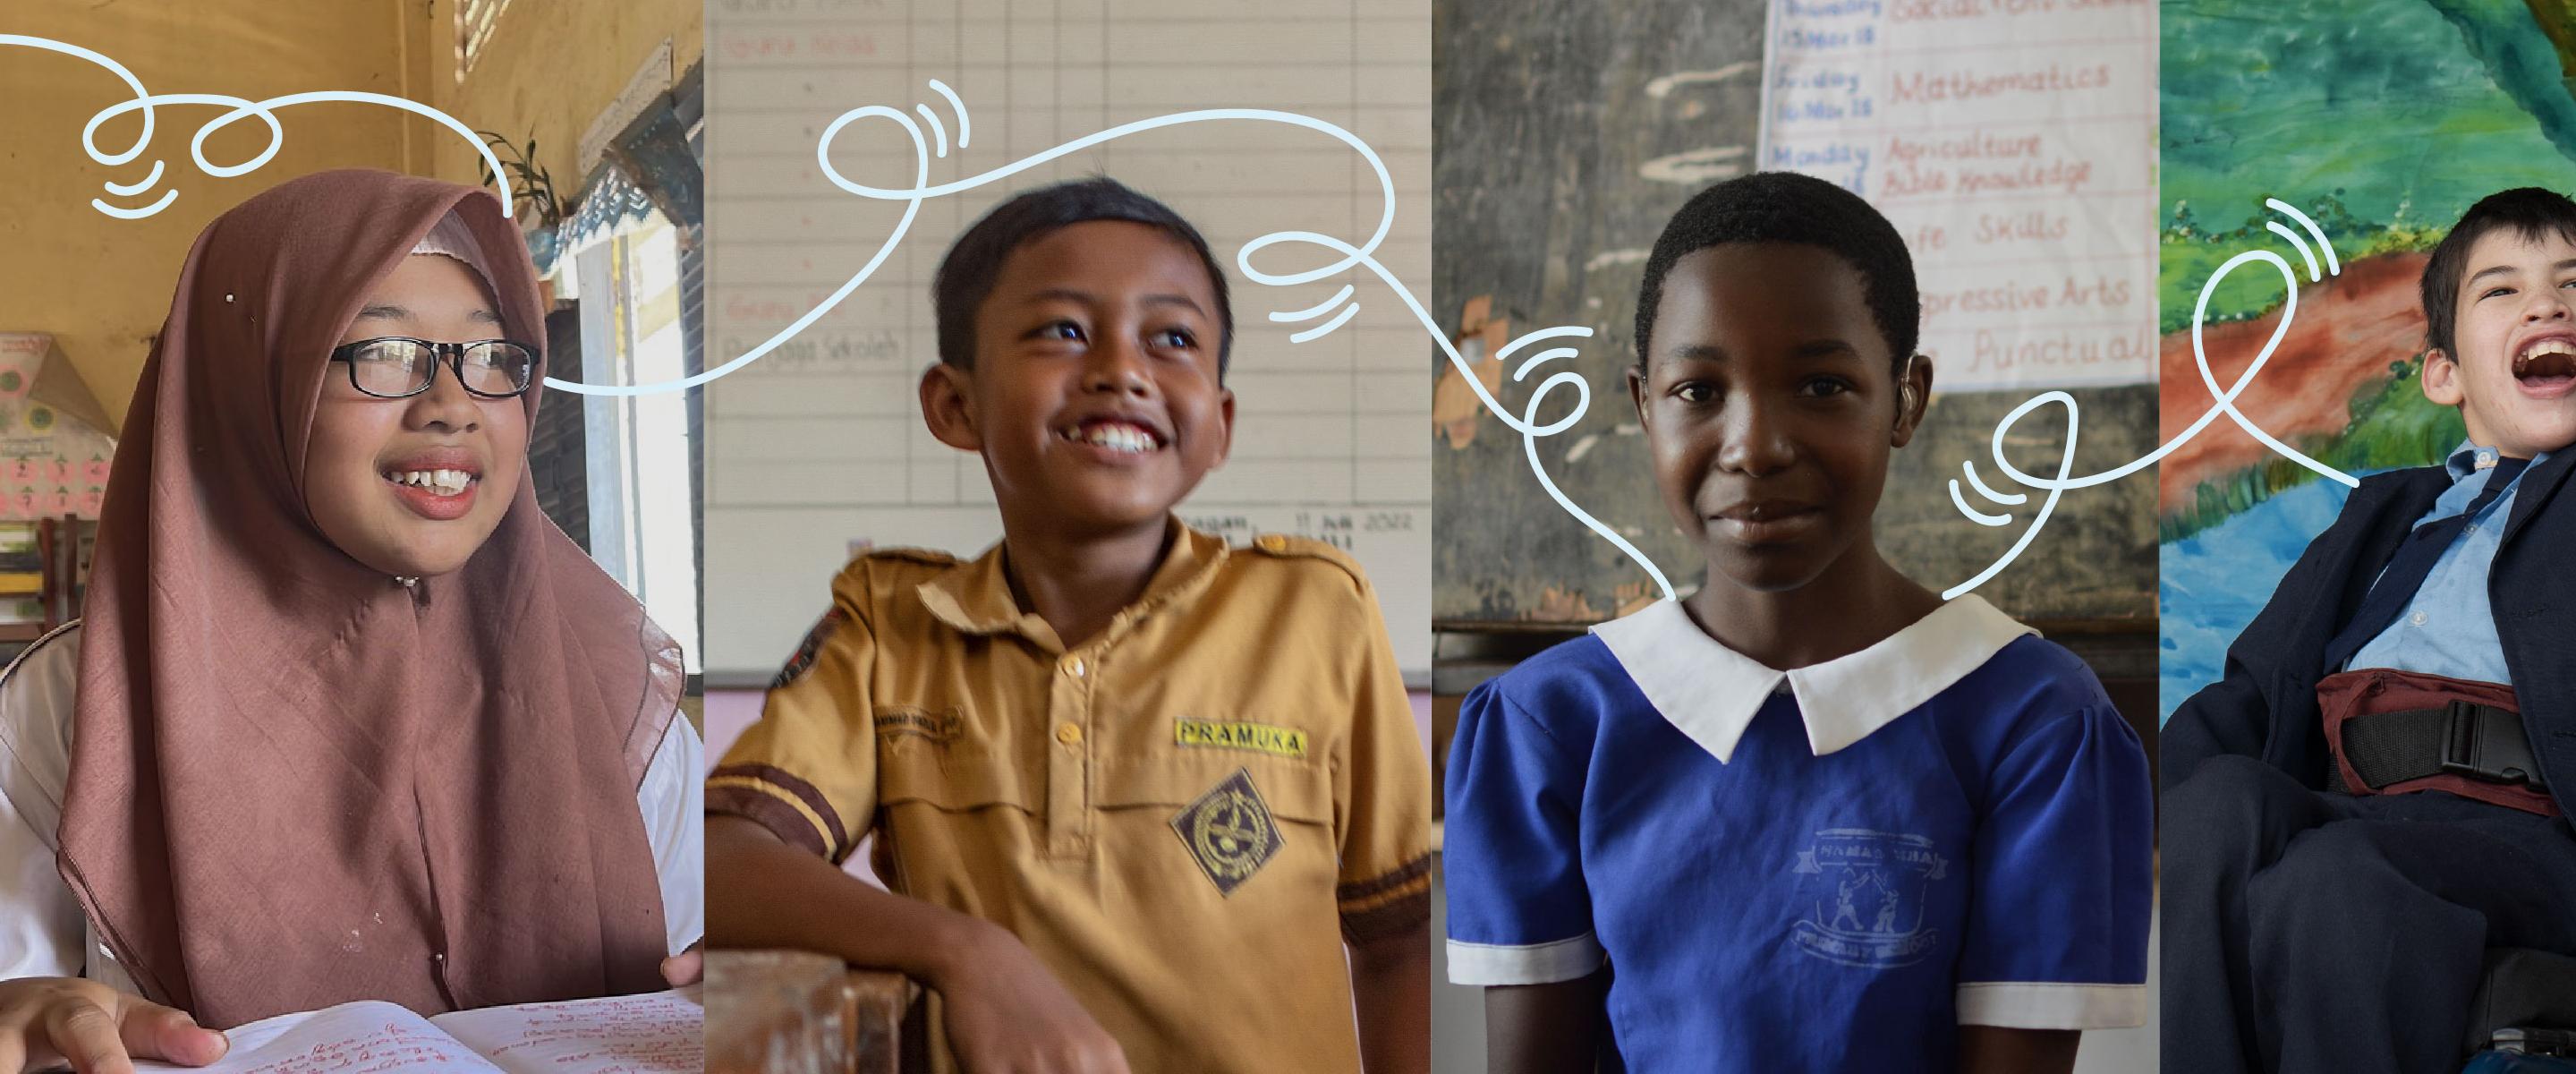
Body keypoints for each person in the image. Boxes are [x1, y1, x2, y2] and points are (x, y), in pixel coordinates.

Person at [2159, 2, 2576, 1070]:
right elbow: (2250, 696)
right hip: (2357, 815)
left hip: (2558, 842)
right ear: (2444, 373)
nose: (2543, 306)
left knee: (2326, 891)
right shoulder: (2378, 519)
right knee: (2215, 806)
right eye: (2500, 291)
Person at [704, 177, 1433, 1074]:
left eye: (1171, 338)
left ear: (1219, 426)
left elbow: (1398, 938)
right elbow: (720, 862)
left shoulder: (1314, 611)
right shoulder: (892, 629)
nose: (1120, 369)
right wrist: (968, 955)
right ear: (954, 406)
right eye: (1062, 330)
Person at [1441, 171, 2153, 1074]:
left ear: (1904, 399)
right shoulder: (1547, 727)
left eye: (1820, 385)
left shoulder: (2037, 724)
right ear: (1641, 405)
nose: (1754, 446)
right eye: (1697, 391)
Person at [0, 170, 703, 1074]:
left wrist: (737, 985)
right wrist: (25, 1011)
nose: (454, 404)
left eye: (494, 358)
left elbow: (699, 980)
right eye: (384, 355)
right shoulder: (71, 712)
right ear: (249, 388)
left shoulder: (611, 689)